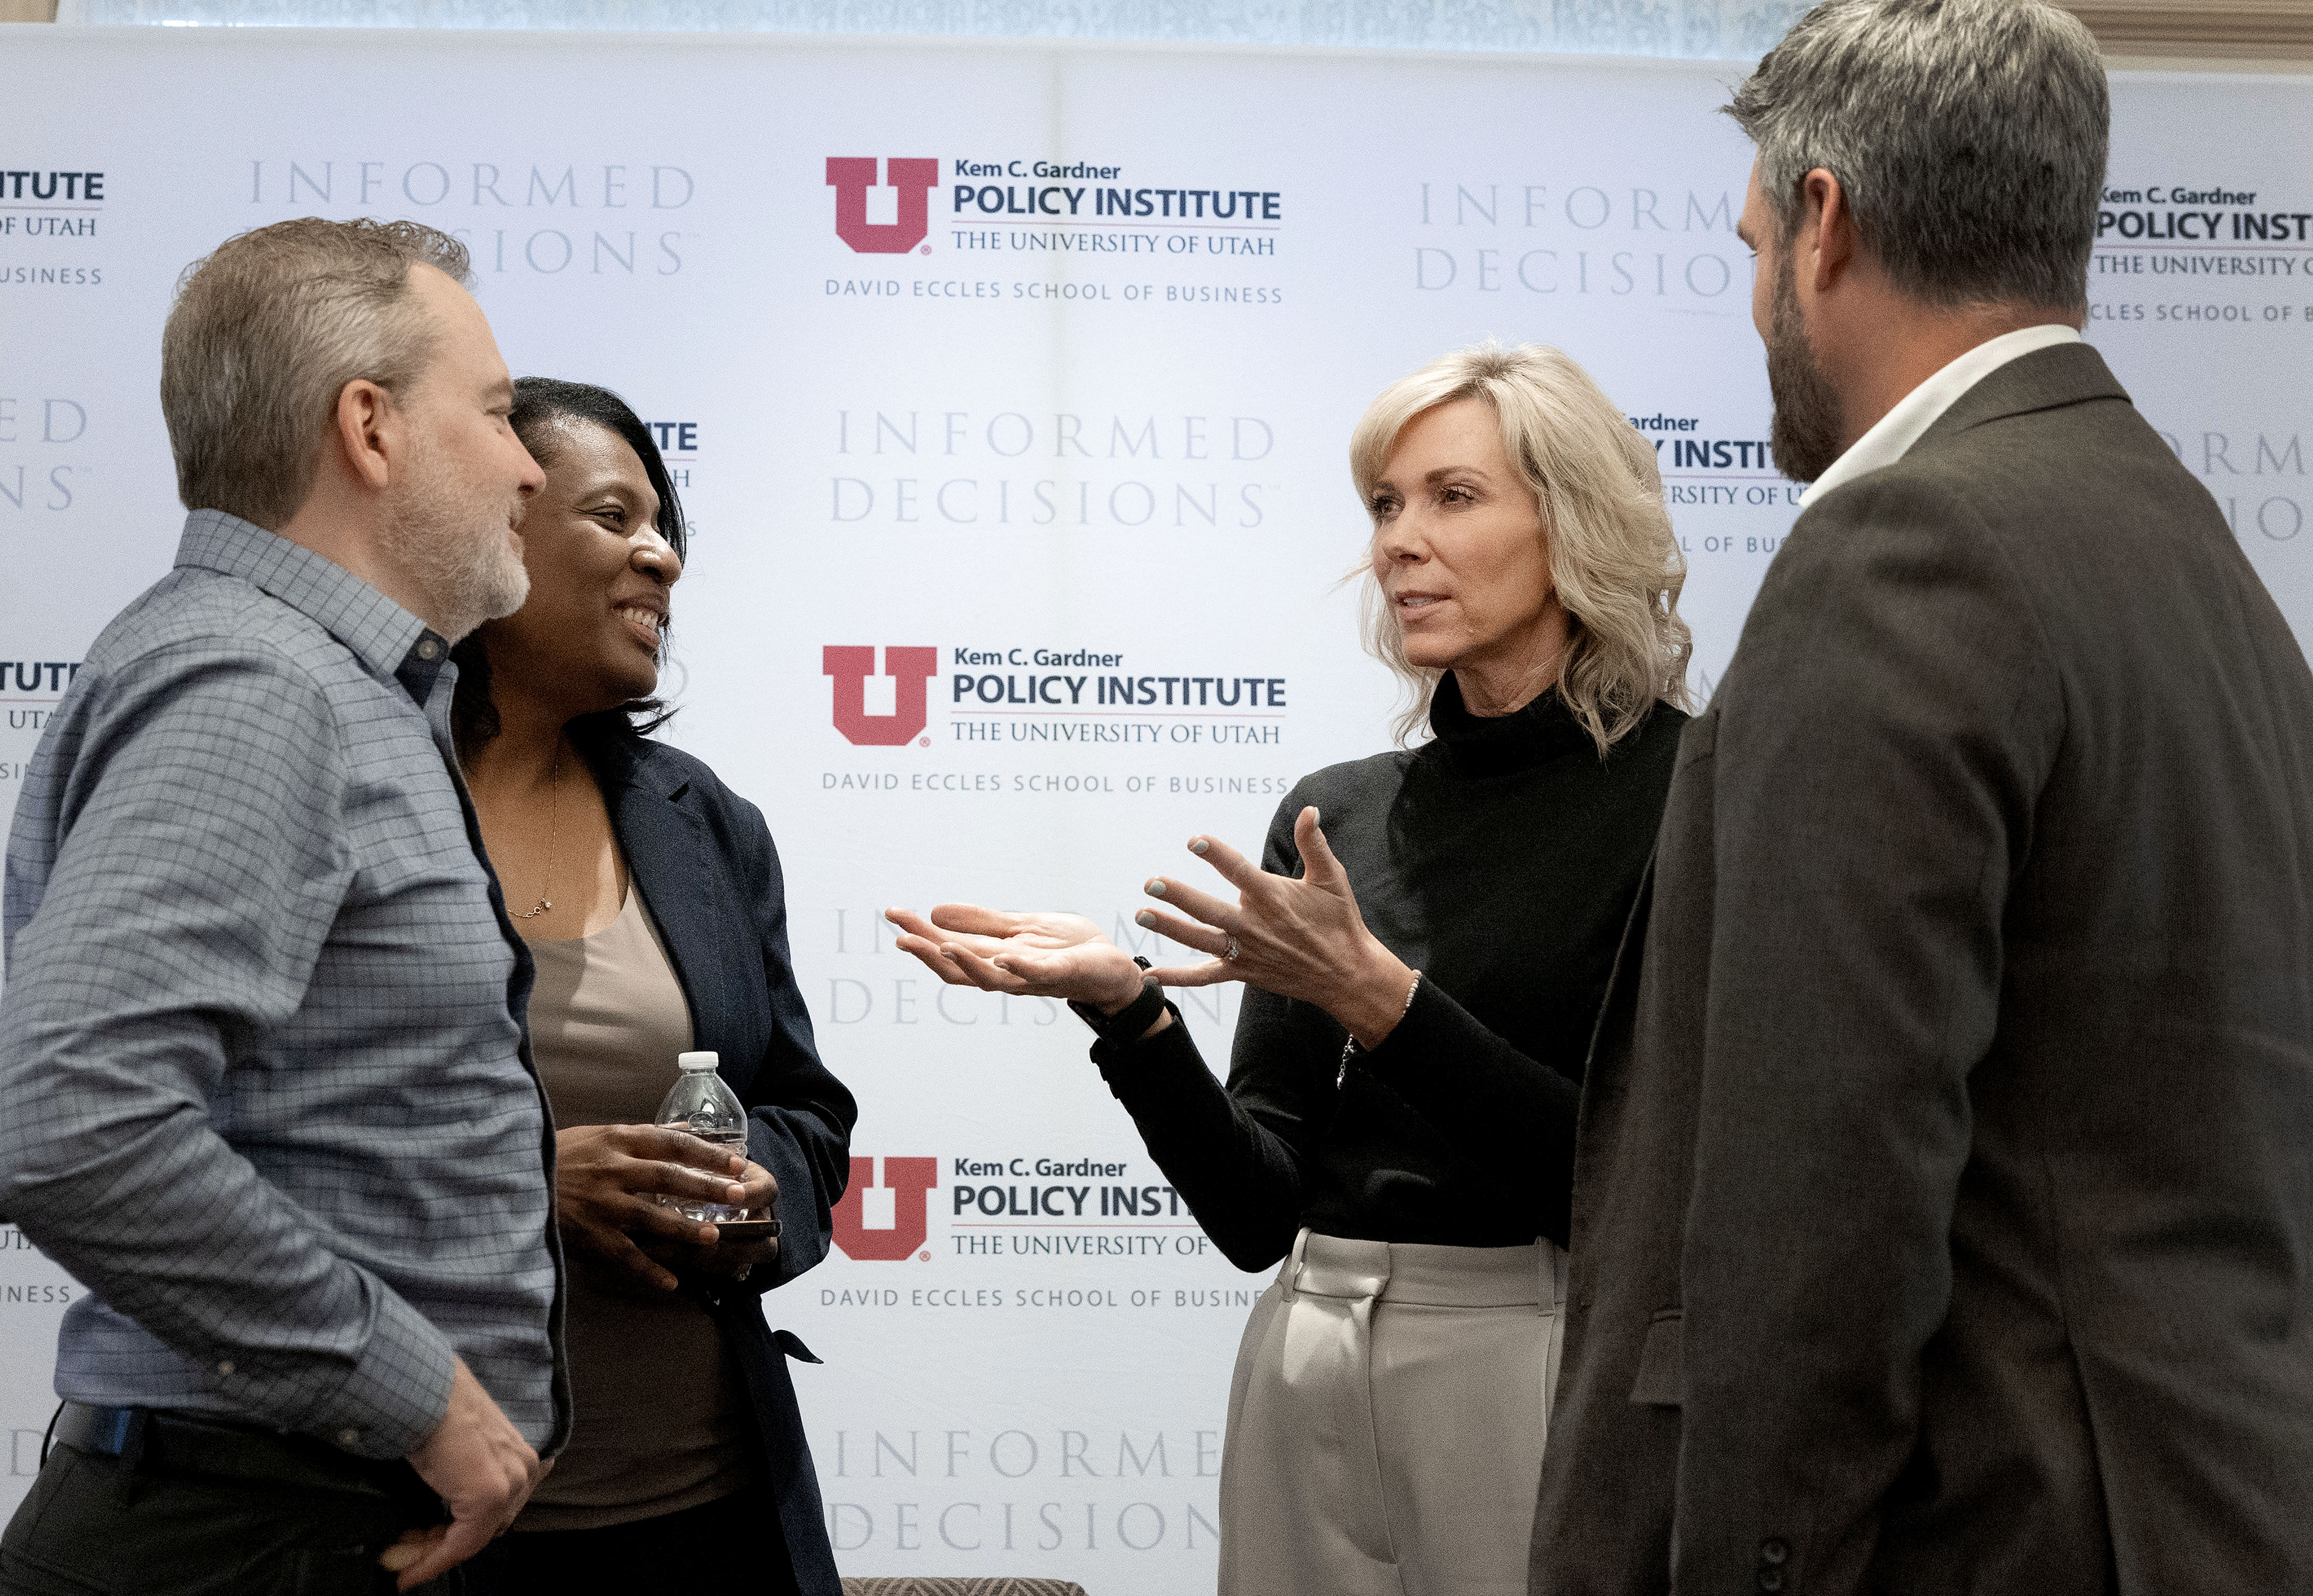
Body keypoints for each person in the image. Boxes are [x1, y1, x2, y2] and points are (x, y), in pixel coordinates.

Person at [1531, 4, 2313, 1593]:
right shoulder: (2198, 556)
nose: (1753, 296)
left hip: (1993, 1535)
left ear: (1823, 222)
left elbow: (1814, 1215)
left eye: (1752, 241)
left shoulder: (1904, 549)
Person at [891, 342, 1690, 1596]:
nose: (1398, 543)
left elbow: (1632, 1193)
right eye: (1384, 505)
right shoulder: (1337, 816)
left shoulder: (1691, 796)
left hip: (1539, 1350)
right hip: (1307, 1347)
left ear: (1573, 515)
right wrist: (1130, 1012)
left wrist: (1376, 999)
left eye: (1452, 497)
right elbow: (1256, 1214)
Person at [0, 219, 561, 1594]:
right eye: (492, 413)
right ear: (369, 426)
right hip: (249, 1535)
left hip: (299, 1520)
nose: (529, 462)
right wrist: (429, 1398)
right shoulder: (262, 691)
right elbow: (66, 1128)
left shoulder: (336, 687)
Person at [450, 378, 854, 1596]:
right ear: (493, 527)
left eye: (664, 522)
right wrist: (534, 1184)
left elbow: (807, 1116)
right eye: (616, 517)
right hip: (432, 1519)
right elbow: (260, 1135)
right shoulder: (355, 798)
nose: (661, 558)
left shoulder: (703, 824)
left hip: (710, 1514)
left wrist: (753, 1191)